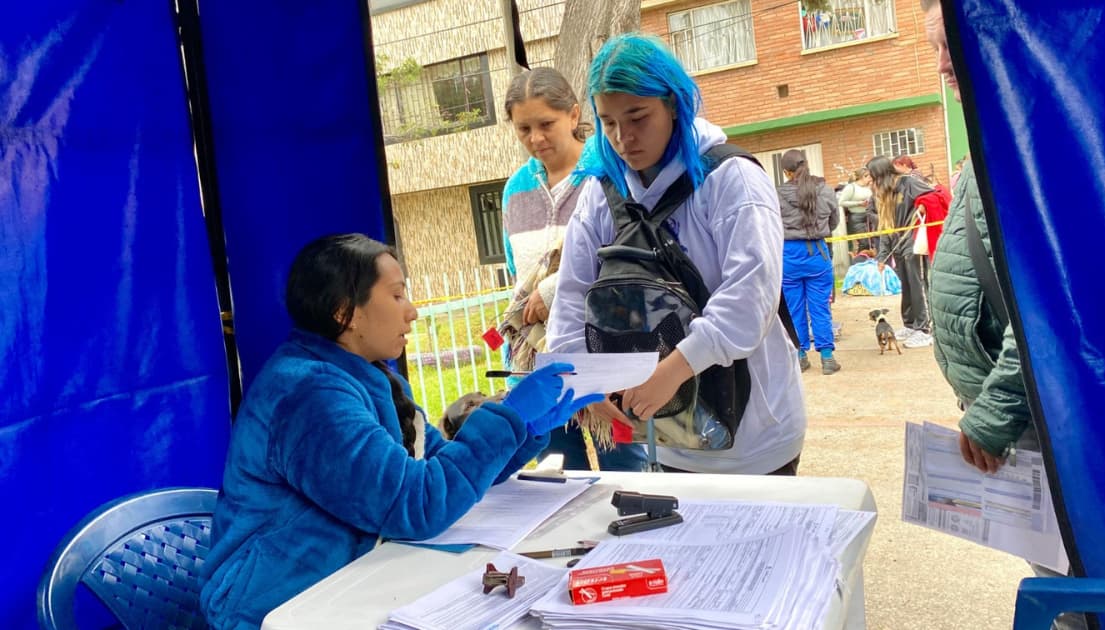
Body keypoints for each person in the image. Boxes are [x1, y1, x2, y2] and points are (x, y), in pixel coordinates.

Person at [198, 234, 599, 630]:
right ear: (345, 312)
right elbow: (415, 504)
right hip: (275, 605)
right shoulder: (309, 394)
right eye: (397, 295)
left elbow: (439, 469)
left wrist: (522, 430)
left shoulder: (371, 378)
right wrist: (507, 416)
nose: (414, 312)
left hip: (350, 580)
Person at [546, 33, 806, 475]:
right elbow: (571, 296)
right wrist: (583, 383)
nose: (623, 137)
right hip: (664, 438)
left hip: (755, 439)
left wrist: (673, 371)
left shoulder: (731, 179)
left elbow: (751, 297)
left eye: (638, 117)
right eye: (608, 122)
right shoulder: (599, 192)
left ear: (674, 104)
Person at [921, 3, 1085, 629]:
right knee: (1060, 577)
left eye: (953, 45)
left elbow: (1050, 305)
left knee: (1081, 589)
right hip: (1028, 425)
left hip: (1045, 423)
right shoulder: (999, 138)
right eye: (937, 47)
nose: (943, 64)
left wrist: (995, 410)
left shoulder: (1042, 145)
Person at [499, 67, 647, 471]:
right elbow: (518, 271)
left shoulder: (610, 173)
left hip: (610, 353)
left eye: (546, 124)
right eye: (523, 128)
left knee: (628, 470)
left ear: (574, 114)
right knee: (560, 474)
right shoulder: (515, 189)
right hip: (544, 364)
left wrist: (552, 293)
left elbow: (631, 260)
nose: (536, 138)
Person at [777, 149, 841, 374]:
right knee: (820, 306)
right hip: (817, 252)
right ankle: (827, 358)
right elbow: (834, 221)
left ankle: (800, 355)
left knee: (793, 307)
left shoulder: (776, 194)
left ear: (786, 172)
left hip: (788, 255)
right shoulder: (824, 189)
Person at [868, 155, 934, 349]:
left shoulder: (908, 182)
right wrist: (882, 256)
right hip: (898, 245)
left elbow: (934, 195)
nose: (870, 181)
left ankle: (926, 330)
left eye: (872, 176)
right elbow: (886, 226)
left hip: (913, 242)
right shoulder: (883, 193)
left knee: (918, 285)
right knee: (906, 286)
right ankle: (911, 324)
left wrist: (923, 205)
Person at [838, 168, 874, 253]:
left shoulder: (868, 187)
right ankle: (859, 262)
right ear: (863, 177)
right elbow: (841, 202)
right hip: (857, 217)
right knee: (864, 243)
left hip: (869, 215)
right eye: (869, 177)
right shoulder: (851, 187)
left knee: (871, 242)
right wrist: (858, 203)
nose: (871, 179)